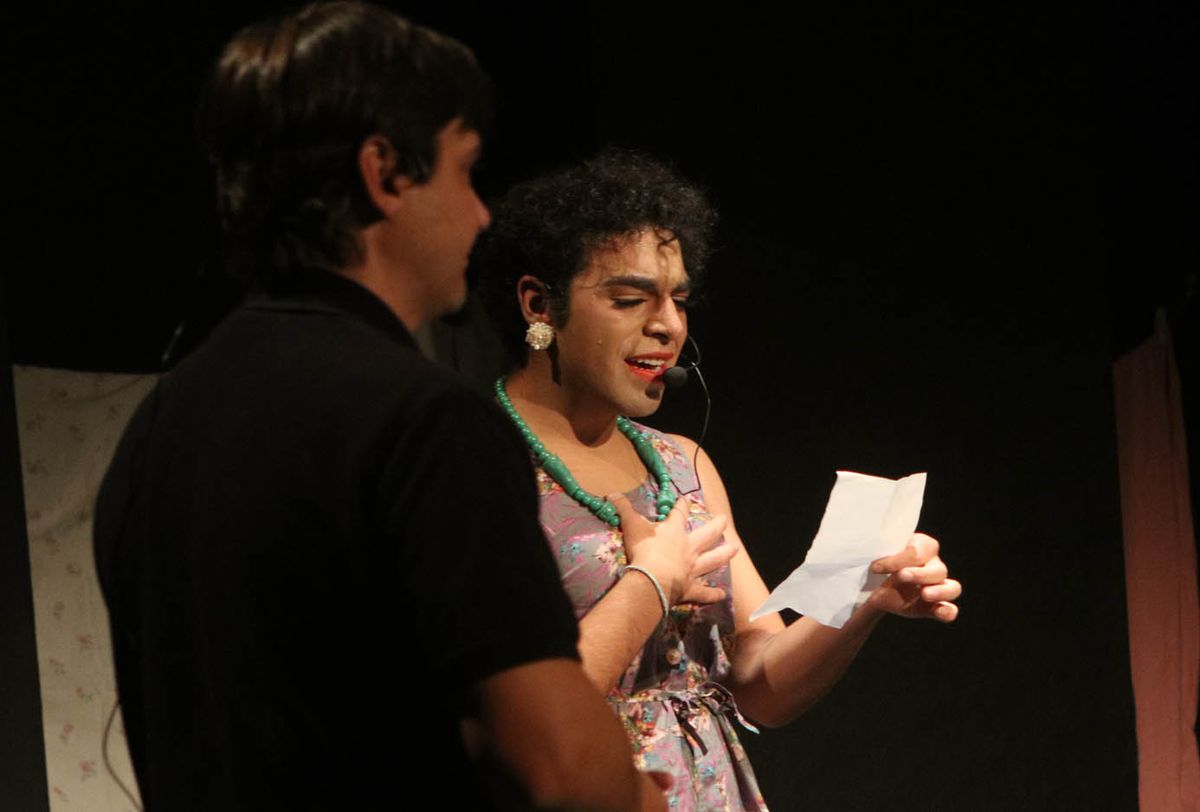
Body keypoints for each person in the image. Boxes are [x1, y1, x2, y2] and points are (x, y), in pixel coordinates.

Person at [92, 6, 719, 810]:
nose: (481, 214)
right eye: (463, 171)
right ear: (384, 172)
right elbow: (560, 764)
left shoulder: (157, 428)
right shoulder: (424, 424)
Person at [473, 150, 963, 811]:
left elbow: (757, 684)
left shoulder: (680, 464)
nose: (668, 325)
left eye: (678, 300)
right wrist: (653, 581)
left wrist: (863, 597)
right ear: (539, 303)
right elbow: (520, 719)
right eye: (629, 299)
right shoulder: (477, 461)